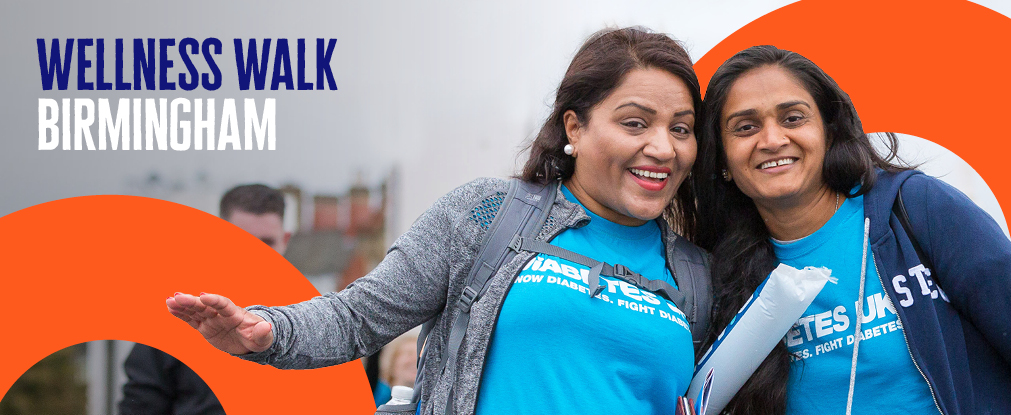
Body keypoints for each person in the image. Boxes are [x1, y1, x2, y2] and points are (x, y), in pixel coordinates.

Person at [166, 26, 710, 415]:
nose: (662, 147)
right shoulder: (489, 213)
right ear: (575, 127)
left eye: (681, 129)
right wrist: (266, 332)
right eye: (635, 122)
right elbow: (357, 317)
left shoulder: (697, 276)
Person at [691, 45, 1011, 414]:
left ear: (829, 132)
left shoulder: (917, 209)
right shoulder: (718, 273)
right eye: (745, 127)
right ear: (722, 159)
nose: (773, 139)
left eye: (793, 118)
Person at [121, 184, 290, 415]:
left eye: (266, 243)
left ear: (286, 240)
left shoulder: (313, 320)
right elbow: (141, 404)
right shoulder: (181, 315)